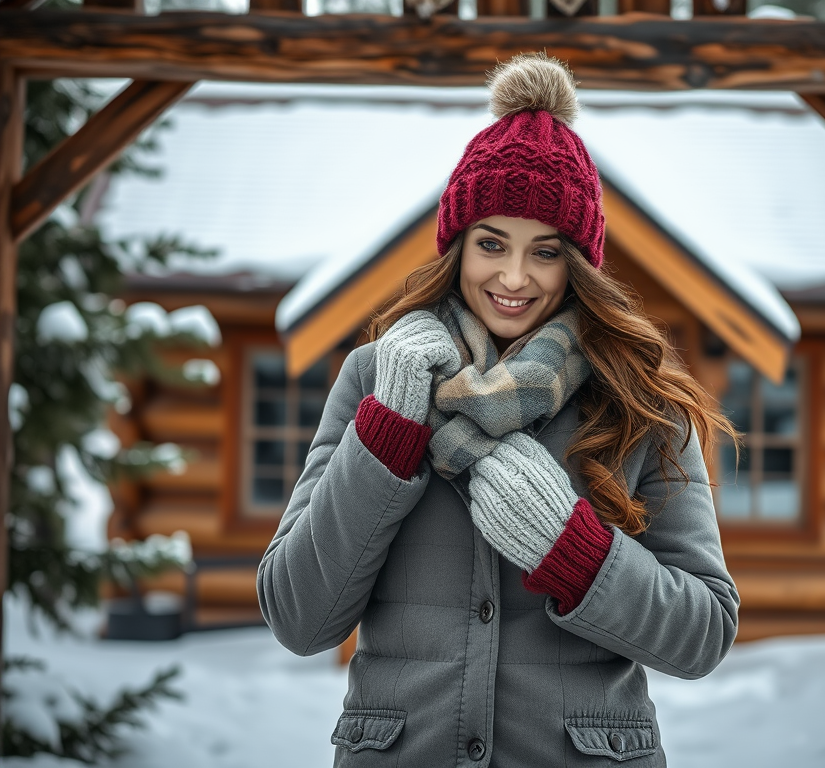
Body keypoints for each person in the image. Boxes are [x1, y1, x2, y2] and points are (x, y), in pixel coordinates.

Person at [257, 52, 740, 767]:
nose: (514, 278)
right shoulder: (376, 379)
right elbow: (299, 616)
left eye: (545, 252)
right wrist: (387, 436)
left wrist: (575, 555)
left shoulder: (640, 400)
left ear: (577, 263)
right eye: (492, 244)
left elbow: (703, 632)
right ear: (456, 246)